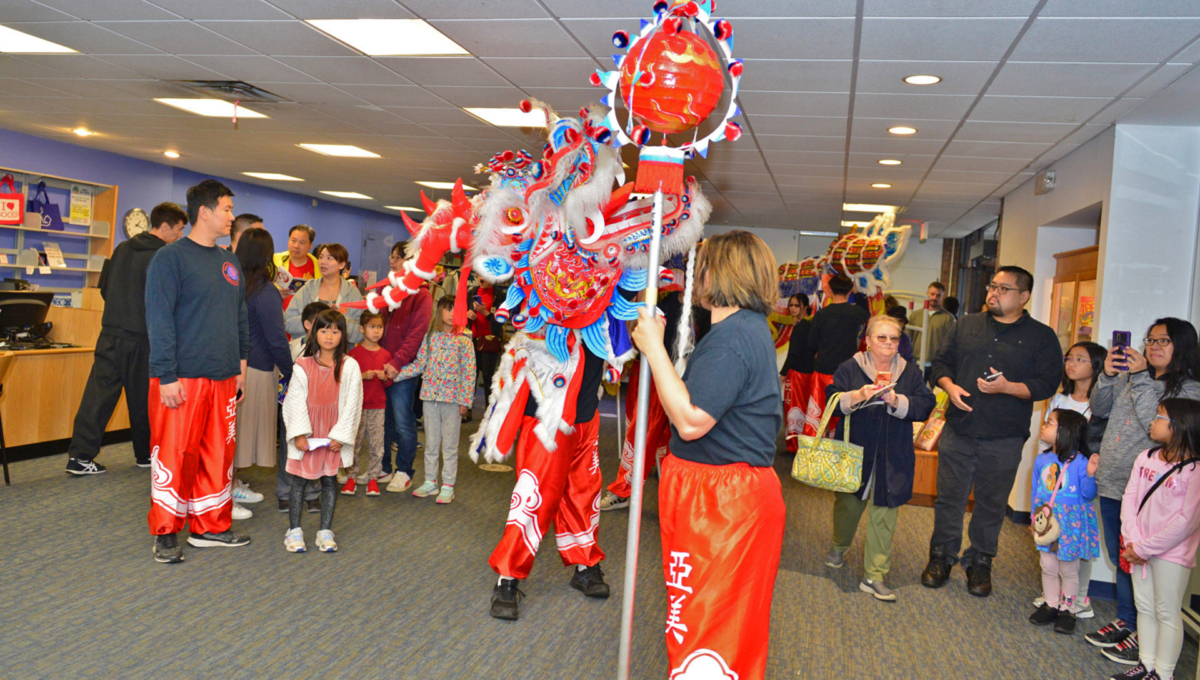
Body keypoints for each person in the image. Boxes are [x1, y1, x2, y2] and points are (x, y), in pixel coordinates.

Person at [630, 230, 785, 680]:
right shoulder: (739, 331)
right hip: (720, 494)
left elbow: (692, 420)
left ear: (720, 273)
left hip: (723, 501)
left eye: (700, 266)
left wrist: (655, 350)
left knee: (708, 625)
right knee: (711, 621)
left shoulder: (734, 336)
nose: (693, 276)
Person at [921, 265, 1062, 597]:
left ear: (1024, 296)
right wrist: (949, 386)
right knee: (949, 499)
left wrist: (1009, 387)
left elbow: (1047, 384)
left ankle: (980, 562)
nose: (994, 293)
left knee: (992, 502)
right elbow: (940, 364)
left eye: (1004, 289)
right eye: (992, 287)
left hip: (1005, 436)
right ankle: (940, 557)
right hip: (958, 429)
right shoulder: (966, 325)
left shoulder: (1041, 337)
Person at [144, 179, 250, 563]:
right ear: (203, 212)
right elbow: (159, 320)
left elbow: (239, 314)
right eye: (226, 209)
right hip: (181, 377)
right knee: (176, 455)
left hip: (223, 377)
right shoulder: (169, 259)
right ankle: (167, 533)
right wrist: (165, 375)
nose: (231, 216)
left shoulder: (229, 260)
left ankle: (209, 527)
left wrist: (240, 364)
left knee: (217, 456)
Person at [1086, 318, 1200, 666]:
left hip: (1152, 491)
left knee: (1140, 559)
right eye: (1150, 339)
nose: (1153, 346)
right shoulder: (1131, 376)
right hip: (1114, 479)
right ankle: (1128, 620)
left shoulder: (1191, 391)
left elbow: (1157, 428)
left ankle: (1141, 635)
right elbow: (1100, 408)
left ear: (1181, 346)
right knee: (1123, 558)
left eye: (1163, 341)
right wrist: (1107, 375)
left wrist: (1137, 379)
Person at [65, 202, 188, 475]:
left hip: (110, 333)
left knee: (97, 397)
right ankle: (145, 455)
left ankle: (80, 457)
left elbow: (105, 288)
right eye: (178, 230)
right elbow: (168, 303)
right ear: (165, 226)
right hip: (142, 338)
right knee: (143, 400)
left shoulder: (121, 248)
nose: (179, 236)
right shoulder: (165, 257)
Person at [823, 314, 935, 601]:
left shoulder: (910, 373)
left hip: (893, 454)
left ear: (900, 344)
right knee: (847, 506)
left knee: (885, 513)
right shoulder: (850, 368)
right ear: (868, 340)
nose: (887, 343)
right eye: (881, 337)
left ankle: (874, 575)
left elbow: (925, 405)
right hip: (855, 451)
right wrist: (858, 395)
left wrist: (898, 401)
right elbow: (832, 401)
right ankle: (839, 545)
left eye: (893, 338)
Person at [1115, 398, 1200, 680]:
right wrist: (1133, 540)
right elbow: (1130, 499)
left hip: (1171, 555)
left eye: (1159, 416)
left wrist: (1144, 547)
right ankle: (1146, 664)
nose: (1152, 421)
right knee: (1145, 607)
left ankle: (1163, 673)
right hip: (1138, 548)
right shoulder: (1146, 457)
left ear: (1179, 426)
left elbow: (1186, 521)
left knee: (1166, 611)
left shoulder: (1195, 470)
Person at [1032, 340, 1108, 619]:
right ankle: (1054, 597)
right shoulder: (1059, 399)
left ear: (1096, 366)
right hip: (1057, 479)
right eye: (1070, 358)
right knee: (1053, 538)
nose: (1072, 364)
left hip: (1083, 474)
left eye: (1080, 359)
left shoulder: (1100, 404)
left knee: (1079, 539)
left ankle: (1078, 597)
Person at [281, 309, 363, 553]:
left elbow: (353, 403)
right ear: (314, 332)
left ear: (342, 335)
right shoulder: (302, 365)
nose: (329, 336)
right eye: (324, 330)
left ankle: (325, 530)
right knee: (299, 482)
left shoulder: (350, 366)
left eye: (335, 331)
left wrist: (340, 435)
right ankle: (294, 530)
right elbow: (294, 401)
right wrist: (299, 433)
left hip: (332, 435)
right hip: (308, 434)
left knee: (329, 481)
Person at [599, 287, 684, 512]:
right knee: (640, 433)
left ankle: (673, 492)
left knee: (664, 435)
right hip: (648, 374)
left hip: (678, 379)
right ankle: (624, 490)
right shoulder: (664, 303)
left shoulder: (703, 311)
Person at [230, 228, 293, 520]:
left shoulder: (232, 282)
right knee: (241, 435)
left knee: (234, 434)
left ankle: (229, 485)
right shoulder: (264, 290)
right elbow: (276, 339)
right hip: (256, 369)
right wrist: (292, 372)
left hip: (233, 365)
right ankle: (223, 492)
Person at [395, 297, 476, 504]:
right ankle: (430, 481)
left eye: (455, 310)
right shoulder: (431, 338)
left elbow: (469, 372)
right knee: (431, 444)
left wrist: (465, 402)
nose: (450, 314)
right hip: (430, 398)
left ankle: (448, 485)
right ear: (439, 312)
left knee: (449, 445)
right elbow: (420, 364)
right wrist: (396, 374)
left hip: (453, 401)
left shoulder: (465, 339)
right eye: (447, 310)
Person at [1028, 409, 1100, 635]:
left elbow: (1088, 495)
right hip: (1047, 523)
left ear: (1066, 432)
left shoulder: (1080, 462)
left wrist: (1090, 474)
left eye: (1050, 423)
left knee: (1069, 569)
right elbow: (1036, 493)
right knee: (1048, 566)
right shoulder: (1042, 460)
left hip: (1070, 525)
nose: (1044, 426)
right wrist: (1033, 517)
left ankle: (1067, 610)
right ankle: (1051, 604)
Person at [381, 244, 433, 491]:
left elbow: (415, 334)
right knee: (382, 420)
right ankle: (382, 467)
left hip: (402, 370)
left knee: (403, 421)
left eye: (399, 258)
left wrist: (397, 362)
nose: (393, 261)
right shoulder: (387, 289)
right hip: (380, 367)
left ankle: (404, 470)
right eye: (392, 256)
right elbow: (375, 324)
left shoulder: (422, 295)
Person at [276, 301, 329, 512]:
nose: (326, 331)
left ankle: (313, 493)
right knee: (290, 449)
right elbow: (283, 376)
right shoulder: (293, 347)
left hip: (319, 408)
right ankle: (285, 492)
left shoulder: (331, 350)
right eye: (320, 324)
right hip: (292, 406)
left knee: (315, 448)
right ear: (307, 324)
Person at [806, 274, 870, 434]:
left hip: (822, 369)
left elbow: (812, 344)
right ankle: (838, 452)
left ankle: (811, 453)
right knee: (842, 412)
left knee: (817, 411)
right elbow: (867, 313)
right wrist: (858, 293)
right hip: (846, 372)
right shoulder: (856, 312)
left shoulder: (821, 314)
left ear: (829, 290)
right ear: (850, 291)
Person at [342, 311, 392, 496]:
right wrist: (362, 376)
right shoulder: (353, 354)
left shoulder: (386, 354)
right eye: (372, 327)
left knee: (377, 444)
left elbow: (389, 382)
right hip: (357, 407)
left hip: (378, 406)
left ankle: (373, 478)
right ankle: (351, 477)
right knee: (354, 443)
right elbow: (345, 381)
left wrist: (384, 377)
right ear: (362, 329)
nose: (376, 331)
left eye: (380, 327)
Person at [284, 243, 363, 344]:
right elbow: (289, 323)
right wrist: (313, 320)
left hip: (339, 356)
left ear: (342, 265)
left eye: (329, 258)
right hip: (307, 354)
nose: (323, 262)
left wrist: (340, 320)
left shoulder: (353, 293)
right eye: (321, 257)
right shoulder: (307, 288)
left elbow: (361, 332)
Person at [780, 293, 817, 453]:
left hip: (797, 373)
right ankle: (801, 444)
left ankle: (794, 446)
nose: (793, 308)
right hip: (810, 372)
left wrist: (782, 374)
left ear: (805, 306)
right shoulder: (812, 323)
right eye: (791, 305)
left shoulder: (802, 326)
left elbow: (793, 353)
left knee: (793, 408)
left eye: (796, 305)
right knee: (803, 408)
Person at [468, 277, 503, 419]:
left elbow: (501, 321)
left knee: (488, 377)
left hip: (489, 341)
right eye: (478, 275)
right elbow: (462, 314)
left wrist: (487, 314)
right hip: (471, 341)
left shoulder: (500, 295)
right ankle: (467, 409)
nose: (481, 278)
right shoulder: (472, 292)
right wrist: (468, 315)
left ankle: (489, 411)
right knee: (471, 377)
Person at [909, 281, 954, 368]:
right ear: (927, 294)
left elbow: (950, 342)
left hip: (937, 363)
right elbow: (908, 338)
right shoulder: (915, 315)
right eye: (932, 294)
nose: (934, 297)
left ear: (942, 297)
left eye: (938, 295)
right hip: (916, 361)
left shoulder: (948, 318)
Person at [274, 224, 317, 310]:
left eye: (302, 243)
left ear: (310, 245)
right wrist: (274, 295)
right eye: (293, 240)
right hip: (276, 316)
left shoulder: (318, 266)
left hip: (305, 318)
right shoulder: (274, 260)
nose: (296, 246)